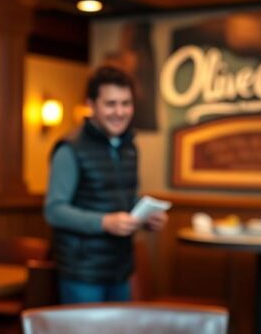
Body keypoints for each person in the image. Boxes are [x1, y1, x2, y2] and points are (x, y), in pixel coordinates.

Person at [43, 65, 168, 304]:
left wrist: (147, 216)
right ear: (91, 105)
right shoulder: (70, 149)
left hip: (120, 269)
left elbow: (122, 198)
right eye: (110, 104)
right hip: (82, 273)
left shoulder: (129, 146)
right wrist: (104, 223)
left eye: (126, 103)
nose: (119, 112)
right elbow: (54, 210)